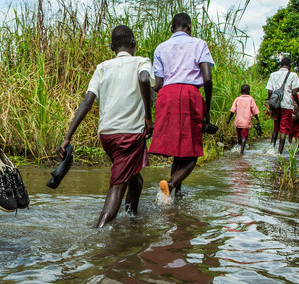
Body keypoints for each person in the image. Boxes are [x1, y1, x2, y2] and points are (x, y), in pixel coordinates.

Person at [58, 25, 154, 228]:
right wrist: (148, 116)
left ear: (112, 46)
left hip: (107, 136)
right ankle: (98, 231)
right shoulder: (141, 62)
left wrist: (68, 136)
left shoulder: (102, 67)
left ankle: (132, 221)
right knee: (118, 186)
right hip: (129, 135)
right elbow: (145, 79)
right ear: (134, 43)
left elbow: (87, 101)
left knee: (135, 180)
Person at [148, 13, 214, 199]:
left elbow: (158, 84)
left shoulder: (161, 48)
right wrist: (206, 107)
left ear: (171, 29)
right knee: (192, 154)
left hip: (166, 95)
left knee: (179, 152)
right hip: (189, 95)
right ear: (189, 28)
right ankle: (171, 184)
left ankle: (175, 194)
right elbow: (207, 79)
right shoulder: (199, 44)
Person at [265, 57, 299, 154]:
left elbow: (269, 92)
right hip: (286, 106)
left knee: (276, 127)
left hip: (275, 106)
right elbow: (294, 93)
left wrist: (271, 106)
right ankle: (279, 153)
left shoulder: (273, 75)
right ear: (289, 65)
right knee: (284, 130)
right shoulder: (293, 75)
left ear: (280, 65)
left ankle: (271, 147)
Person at [225, 84, 261, 154]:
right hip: (246, 121)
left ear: (241, 91)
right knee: (244, 136)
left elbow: (233, 111)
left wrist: (229, 119)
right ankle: (241, 151)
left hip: (238, 121)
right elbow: (254, 110)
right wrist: (257, 119)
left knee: (239, 135)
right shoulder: (251, 99)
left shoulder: (237, 99)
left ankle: (239, 147)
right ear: (249, 91)